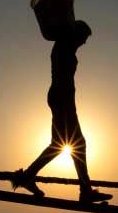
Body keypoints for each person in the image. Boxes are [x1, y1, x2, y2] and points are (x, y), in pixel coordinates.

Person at [13, 19, 111, 203]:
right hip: (62, 98)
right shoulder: (63, 47)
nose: (84, 42)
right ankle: (85, 190)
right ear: (75, 35)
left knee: (58, 144)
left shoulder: (66, 47)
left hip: (62, 98)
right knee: (78, 143)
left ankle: (28, 176)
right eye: (83, 37)